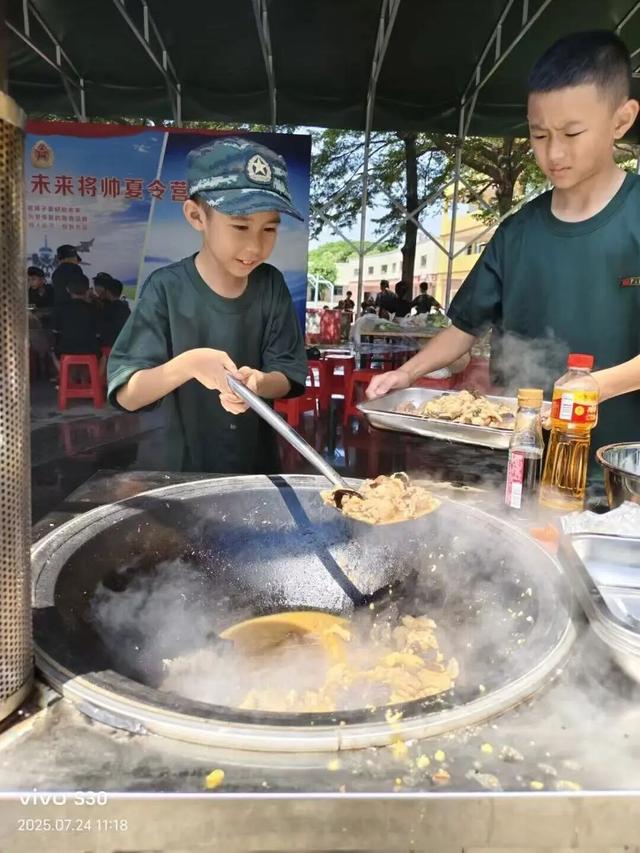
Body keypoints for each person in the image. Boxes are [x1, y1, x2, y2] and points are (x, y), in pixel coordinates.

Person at [368, 30, 640, 454]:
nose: (554, 154)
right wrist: (407, 373)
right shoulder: (517, 233)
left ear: (621, 120)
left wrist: (593, 387)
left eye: (572, 134)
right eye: (539, 135)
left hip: (623, 467)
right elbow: (464, 328)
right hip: (521, 461)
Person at [107, 136, 308, 474]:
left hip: (255, 468)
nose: (255, 246)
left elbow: (288, 373)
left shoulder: (270, 285)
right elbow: (128, 393)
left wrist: (258, 384)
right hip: (180, 470)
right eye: (240, 226)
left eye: (269, 229)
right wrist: (188, 364)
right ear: (196, 216)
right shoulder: (166, 288)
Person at [52, 273, 100, 359]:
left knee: (52, 354)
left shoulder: (60, 308)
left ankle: (62, 368)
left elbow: (56, 330)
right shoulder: (94, 308)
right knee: (103, 356)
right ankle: (96, 369)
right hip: (90, 350)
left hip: (65, 349)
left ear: (67, 289)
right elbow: (98, 332)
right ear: (87, 290)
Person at [98, 277, 131, 348]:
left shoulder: (108, 309)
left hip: (108, 347)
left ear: (108, 291)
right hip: (122, 346)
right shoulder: (126, 309)